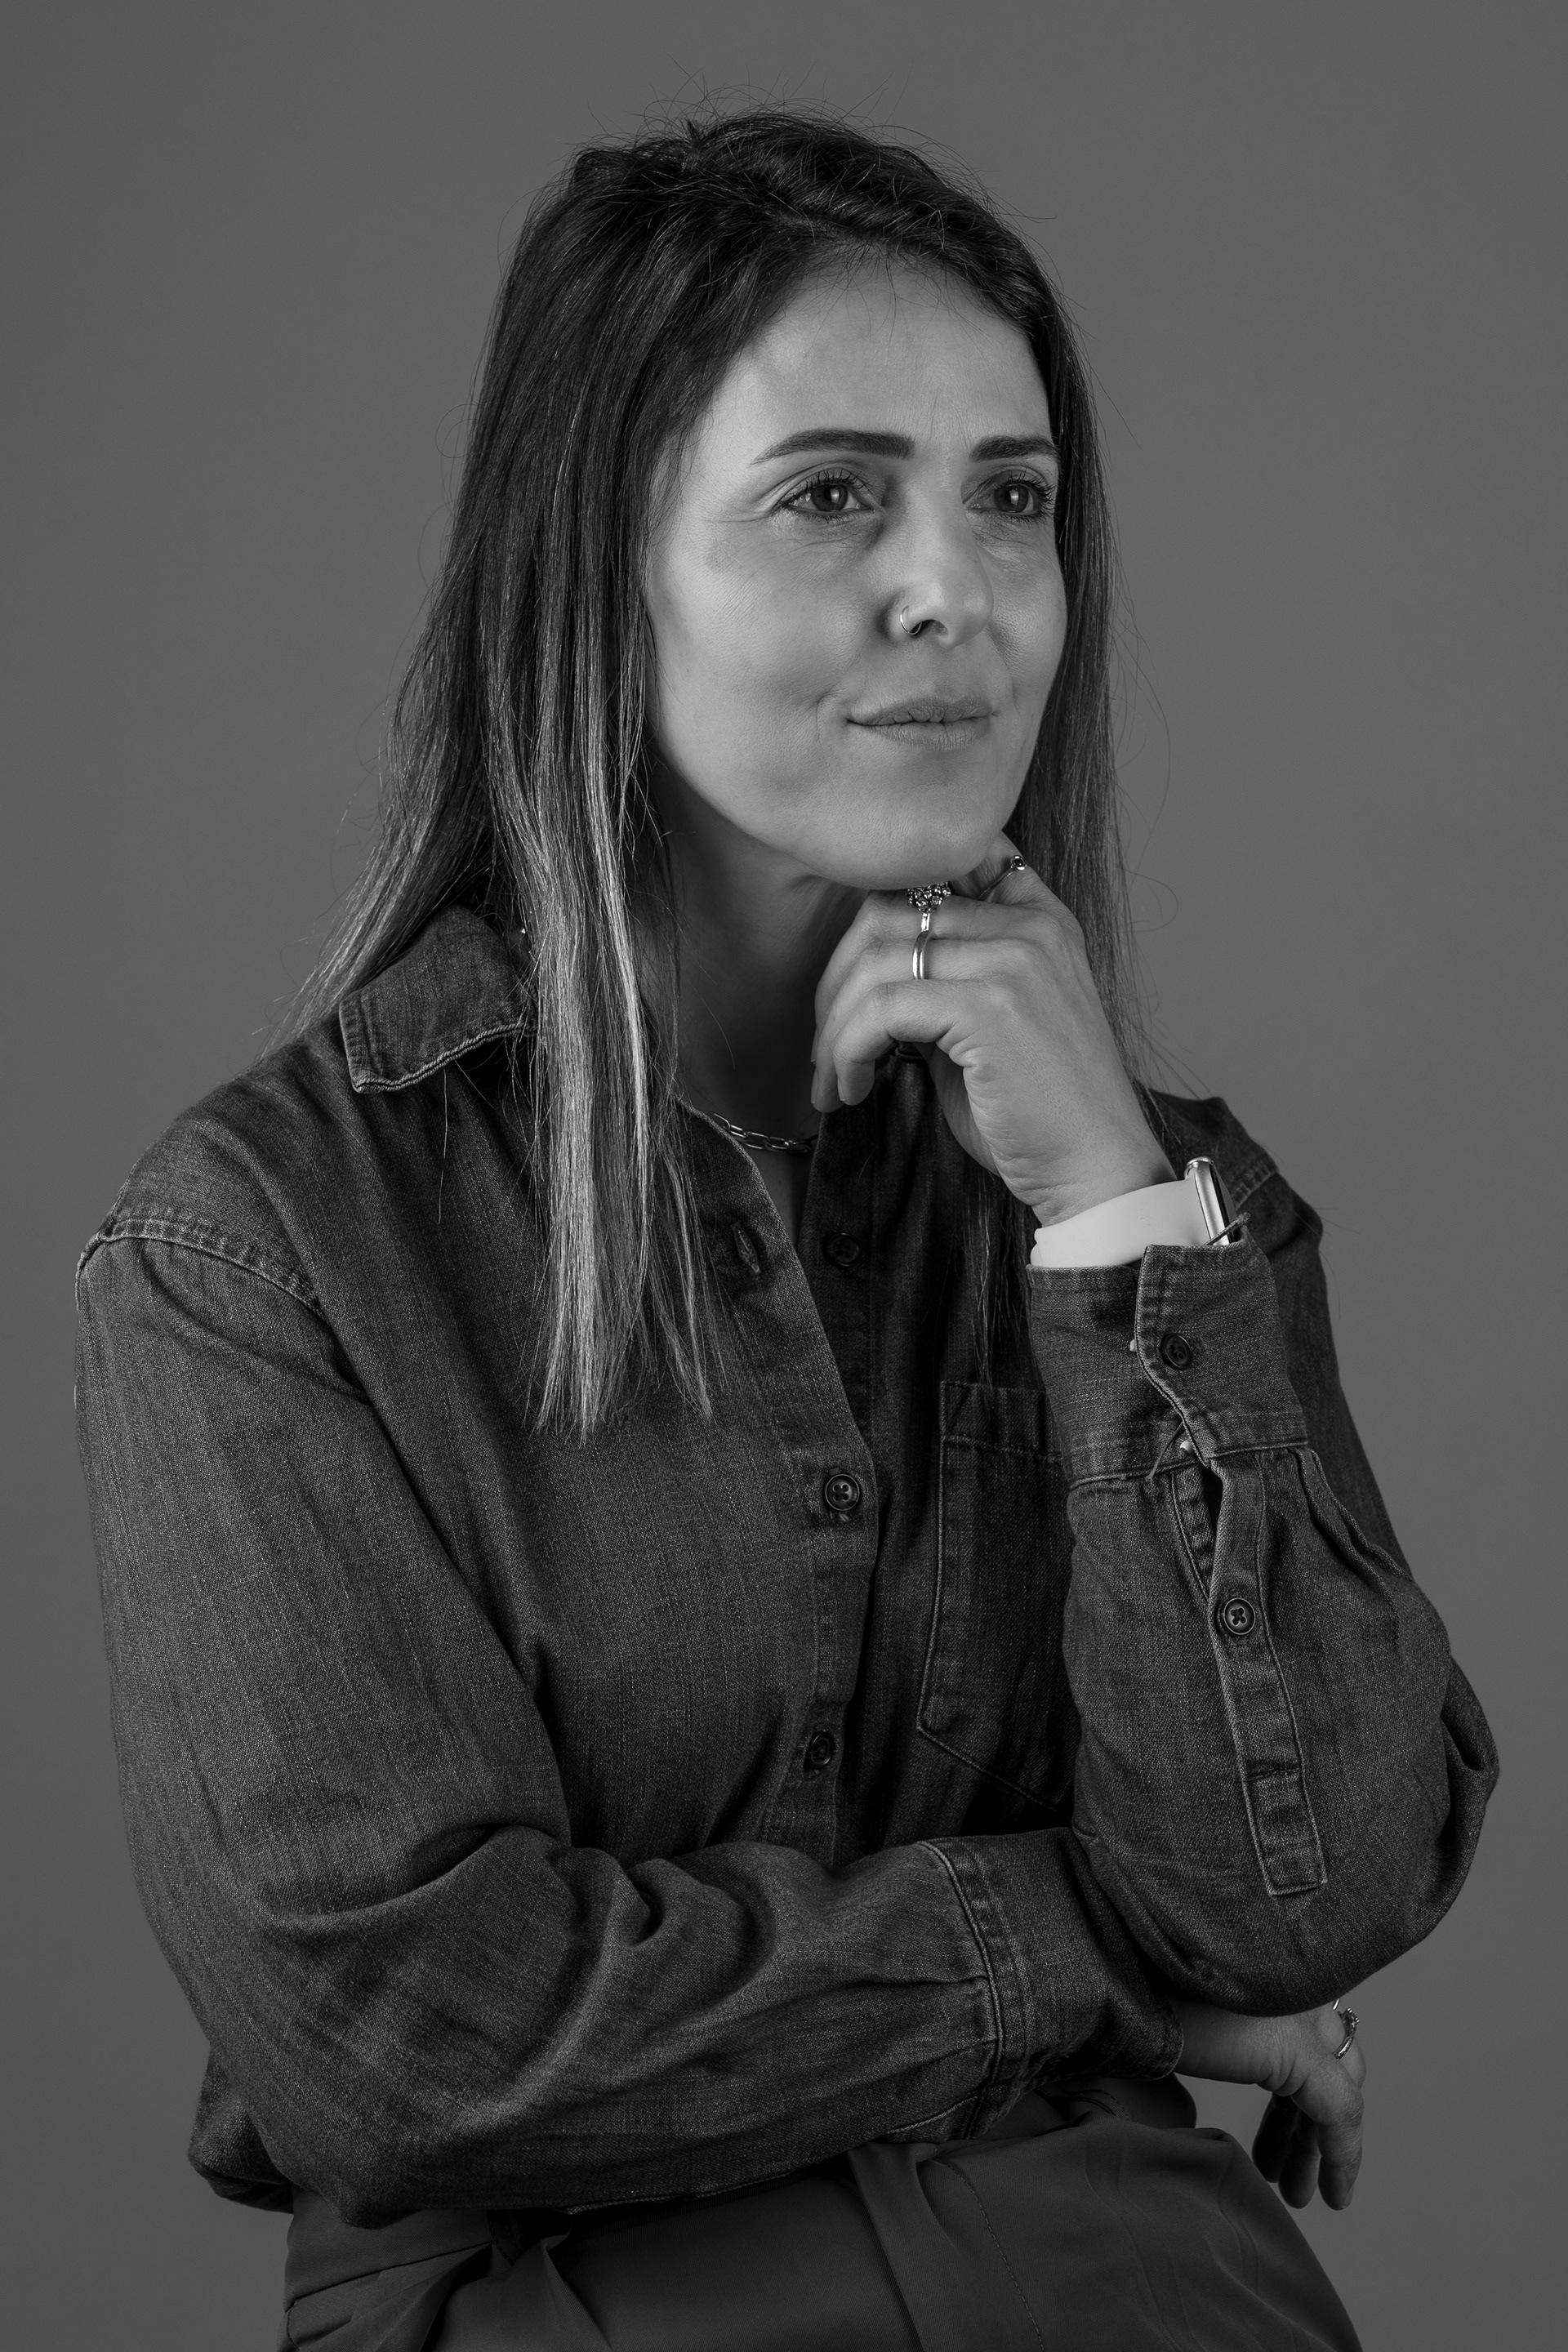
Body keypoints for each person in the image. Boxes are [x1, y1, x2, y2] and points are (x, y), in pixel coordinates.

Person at [75, 109, 1496, 2351]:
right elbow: (411, 2046)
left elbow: (1300, 1905)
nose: (957, 590)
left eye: (1012, 498)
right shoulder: (266, 1251)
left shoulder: (1161, 1198)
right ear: (595, 569)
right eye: (833, 493)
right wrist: (1082, 1958)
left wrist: (1110, 1216)